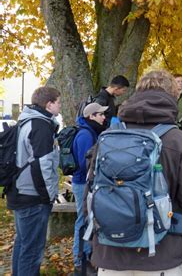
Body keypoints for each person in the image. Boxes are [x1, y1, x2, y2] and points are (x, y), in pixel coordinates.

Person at [89, 70, 182, 275]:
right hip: (163, 257)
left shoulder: (108, 137)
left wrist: (95, 248)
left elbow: (90, 196)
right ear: (173, 97)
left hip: (111, 257)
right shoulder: (177, 140)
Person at [6, 86, 61, 276]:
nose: (60, 106)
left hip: (20, 191)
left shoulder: (26, 121)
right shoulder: (40, 126)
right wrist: (48, 196)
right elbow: (43, 165)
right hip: (33, 197)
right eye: (58, 102)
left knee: (23, 243)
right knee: (32, 250)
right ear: (49, 104)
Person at [71, 102, 108, 274]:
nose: (104, 117)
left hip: (84, 182)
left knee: (86, 218)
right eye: (100, 114)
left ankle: (85, 253)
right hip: (81, 183)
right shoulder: (86, 134)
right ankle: (79, 258)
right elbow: (85, 163)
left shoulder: (91, 131)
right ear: (91, 116)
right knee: (82, 219)